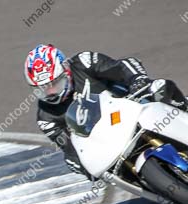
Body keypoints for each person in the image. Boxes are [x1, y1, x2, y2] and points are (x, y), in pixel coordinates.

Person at [24, 44, 188, 177]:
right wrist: (76, 163)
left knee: (161, 86)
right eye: (43, 89)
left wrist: (138, 80)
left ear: (66, 71)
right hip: (107, 144)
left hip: (134, 107)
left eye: (55, 84)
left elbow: (122, 66)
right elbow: (69, 148)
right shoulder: (46, 118)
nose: (51, 92)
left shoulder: (84, 62)